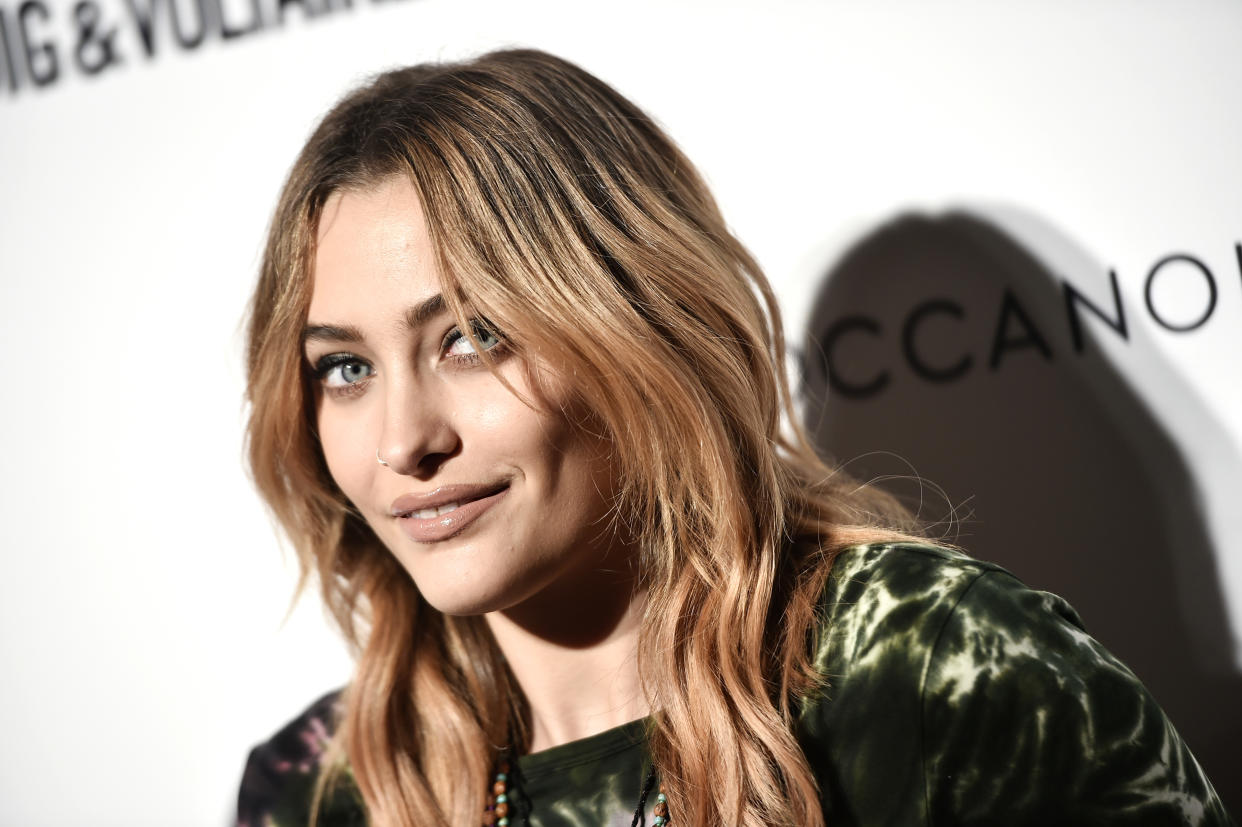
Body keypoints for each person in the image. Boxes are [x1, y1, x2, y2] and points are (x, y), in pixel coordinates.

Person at [235, 48, 1232, 827]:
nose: (402, 439)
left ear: (636, 326)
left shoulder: (936, 674)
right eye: (346, 367)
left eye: (474, 337)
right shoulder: (319, 789)